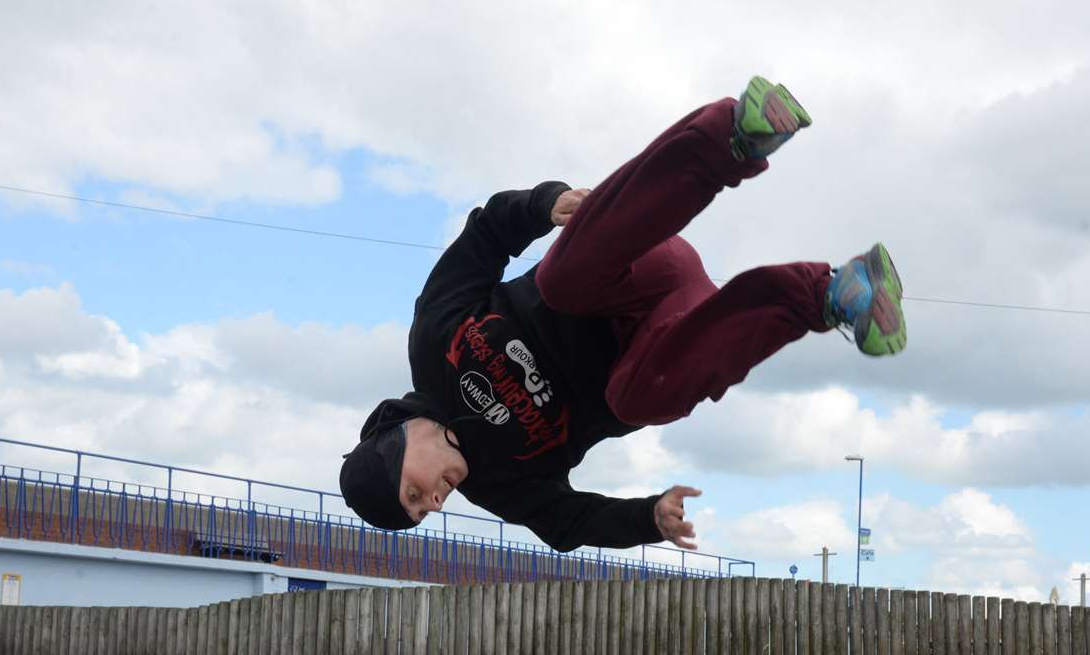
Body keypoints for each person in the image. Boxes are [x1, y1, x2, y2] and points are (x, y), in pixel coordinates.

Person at [339, 76, 905, 554]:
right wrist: (647, 519)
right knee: (633, 401)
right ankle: (833, 295)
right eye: (425, 513)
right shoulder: (502, 487)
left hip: (632, 268)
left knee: (558, 284)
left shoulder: (433, 341)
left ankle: (731, 138)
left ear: (395, 444)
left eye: (414, 495)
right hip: (671, 334)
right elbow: (569, 522)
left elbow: (485, 237)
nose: (434, 502)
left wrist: (543, 204)